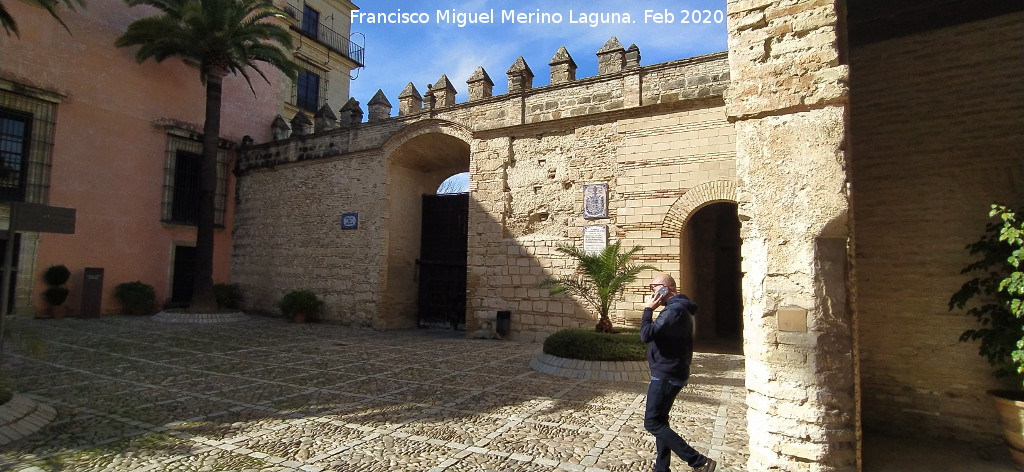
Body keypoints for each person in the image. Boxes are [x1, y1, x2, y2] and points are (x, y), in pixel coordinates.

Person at [640, 273, 717, 472]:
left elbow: (646, 334)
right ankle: (662, 468)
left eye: (653, 287)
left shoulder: (673, 311)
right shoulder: (680, 309)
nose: (652, 291)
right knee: (661, 421)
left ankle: (699, 461)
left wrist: (648, 310)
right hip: (672, 371)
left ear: (666, 288)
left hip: (666, 374)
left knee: (652, 423)